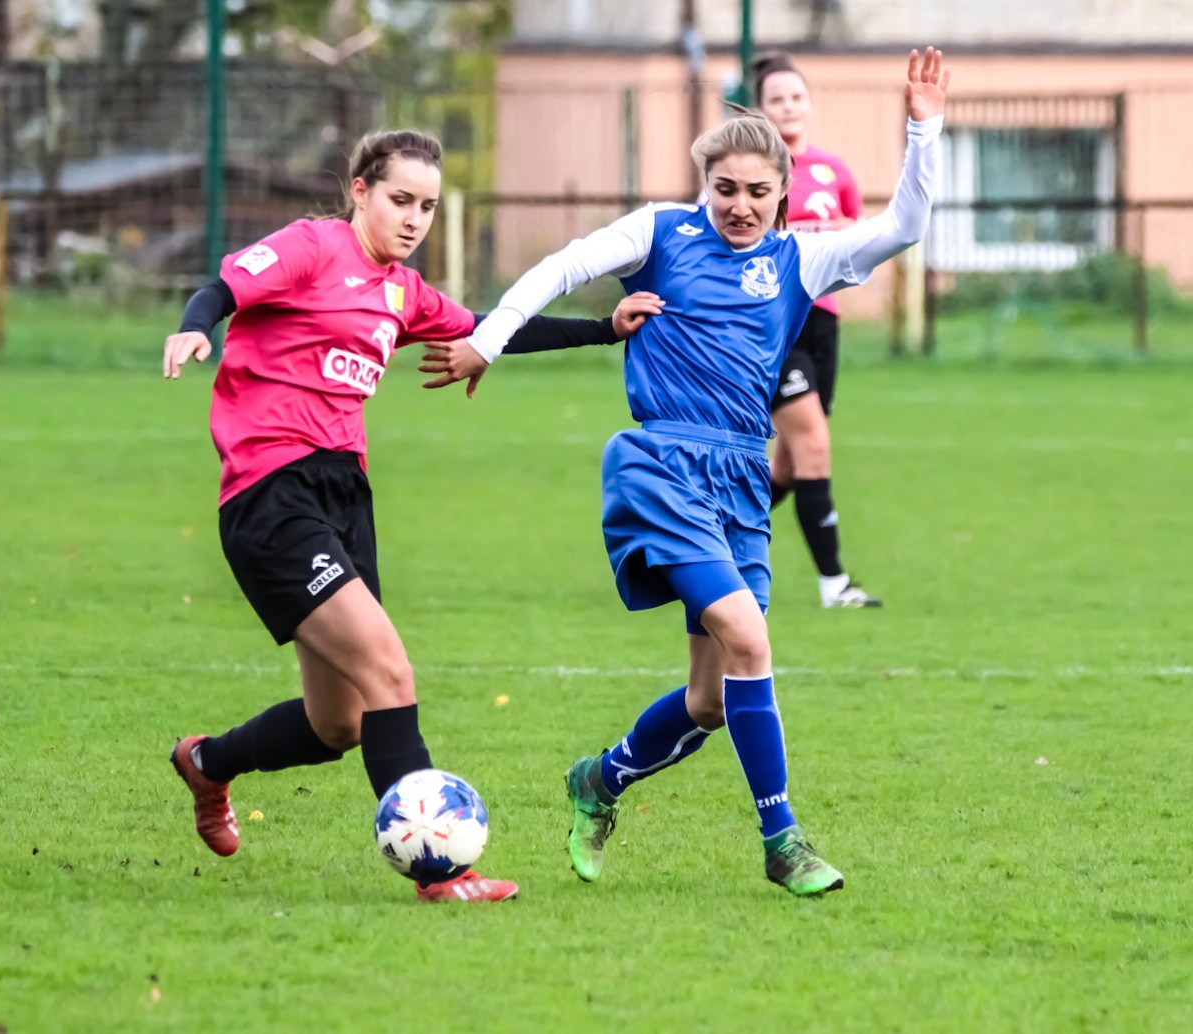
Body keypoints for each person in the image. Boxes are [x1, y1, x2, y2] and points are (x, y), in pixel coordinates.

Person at [419, 48, 950, 896]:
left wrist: (924, 128)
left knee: (710, 699)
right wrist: (489, 340)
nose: (740, 205)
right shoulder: (662, 231)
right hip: (661, 465)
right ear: (705, 184)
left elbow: (908, 225)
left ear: (783, 193)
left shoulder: (801, 261)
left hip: (741, 479)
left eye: (757, 191)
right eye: (725, 188)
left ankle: (599, 780)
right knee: (750, 639)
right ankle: (782, 841)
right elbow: (563, 266)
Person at [161, 128, 645, 903]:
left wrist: (602, 331)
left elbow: (487, 327)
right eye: (400, 199)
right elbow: (225, 288)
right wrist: (196, 325)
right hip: (271, 492)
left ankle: (206, 762)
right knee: (390, 671)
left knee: (338, 723)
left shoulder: (403, 292)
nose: (414, 218)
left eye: (427, 205)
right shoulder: (313, 247)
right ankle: (440, 873)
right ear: (359, 191)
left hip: (344, 495)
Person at [754, 51, 878, 609]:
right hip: (774, 324)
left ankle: (690, 537)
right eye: (776, 99)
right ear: (760, 110)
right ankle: (834, 584)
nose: (789, 107)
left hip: (823, 321)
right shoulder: (748, 175)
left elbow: (857, 236)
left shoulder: (834, 171)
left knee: (787, 464)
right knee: (813, 446)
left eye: (796, 97)